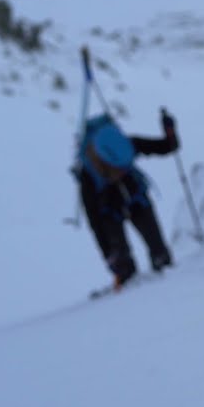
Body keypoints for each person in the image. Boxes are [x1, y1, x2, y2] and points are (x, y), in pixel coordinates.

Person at [74, 110, 178, 288]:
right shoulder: (120, 149)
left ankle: (128, 281)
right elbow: (168, 146)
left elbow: (93, 217)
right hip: (125, 203)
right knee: (152, 255)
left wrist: (107, 254)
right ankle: (151, 277)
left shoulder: (95, 165)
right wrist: (169, 130)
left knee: (133, 263)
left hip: (119, 207)